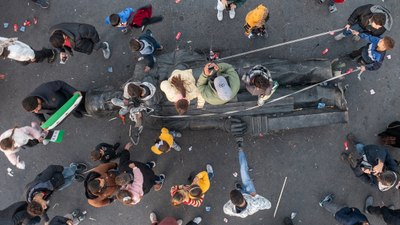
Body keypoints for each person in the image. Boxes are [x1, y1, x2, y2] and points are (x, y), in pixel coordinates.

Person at [223, 145, 271, 218]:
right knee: (243, 172)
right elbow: (268, 205)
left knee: (243, 173)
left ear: (233, 203)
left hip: (247, 197)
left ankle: (240, 189)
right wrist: (255, 196)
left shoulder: (231, 209)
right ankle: (240, 150)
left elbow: (225, 209)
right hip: (251, 194)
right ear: (242, 195)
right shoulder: (256, 203)